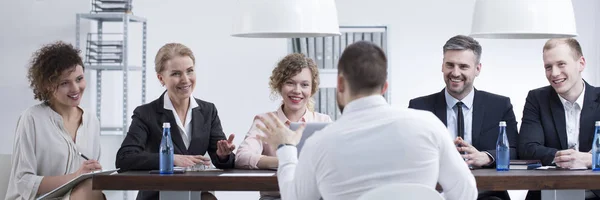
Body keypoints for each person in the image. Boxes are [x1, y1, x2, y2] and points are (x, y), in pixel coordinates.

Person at [256, 41, 477, 200]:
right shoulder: (428, 126)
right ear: (384, 87)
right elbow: (466, 192)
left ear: (340, 85)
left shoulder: (319, 144)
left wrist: (285, 147)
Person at [115, 43, 236, 200]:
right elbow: (125, 158)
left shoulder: (208, 111)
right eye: (176, 74)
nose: (185, 80)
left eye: (190, 71)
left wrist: (223, 156)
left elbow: (222, 160)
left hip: (197, 194)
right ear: (161, 78)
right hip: (157, 196)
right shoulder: (146, 114)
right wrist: (172, 158)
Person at [408, 35, 518, 200]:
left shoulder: (500, 105)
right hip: (435, 193)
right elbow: (409, 153)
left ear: (477, 69)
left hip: (487, 193)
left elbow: (516, 151)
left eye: (463, 66)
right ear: (442, 66)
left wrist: (486, 157)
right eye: (450, 65)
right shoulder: (419, 107)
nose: (455, 73)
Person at [5, 41, 104, 200]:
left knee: (91, 189)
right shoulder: (31, 119)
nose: (75, 89)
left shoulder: (91, 120)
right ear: (47, 86)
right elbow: (24, 181)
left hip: (78, 196)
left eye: (79, 79)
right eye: (65, 83)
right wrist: (75, 176)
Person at [235, 53, 332, 199]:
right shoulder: (265, 121)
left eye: (304, 84)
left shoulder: (324, 122)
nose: (297, 90)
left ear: (312, 89)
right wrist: (285, 161)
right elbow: (242, 157)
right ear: (279, 85)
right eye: (290, 83)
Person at [519, 38, 600, 200]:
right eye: (548, 67)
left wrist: (591, 160)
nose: (554, 73)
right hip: (548, 192)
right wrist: (569, 158)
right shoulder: (537, 98)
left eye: (561, 64)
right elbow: (527, 148)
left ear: (581, 63)